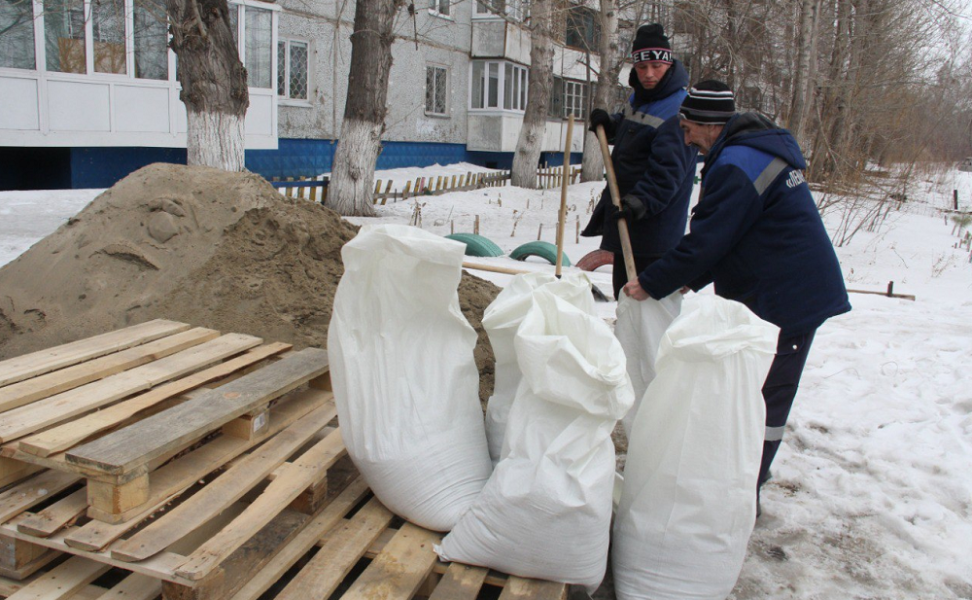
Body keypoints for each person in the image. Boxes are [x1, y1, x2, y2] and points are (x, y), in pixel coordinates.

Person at [621, 80, 852, 515]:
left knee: (765, 398)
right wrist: (688, 280)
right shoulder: (748, 152)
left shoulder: (736, 164)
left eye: (687, 128)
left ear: (709, 124)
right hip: (778, 287)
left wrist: (652, 282)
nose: (686, 139)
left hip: (791, 297)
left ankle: (744, 493)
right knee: (750, 390)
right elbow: (733, 234)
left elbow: (709, 240)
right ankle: (736, 477)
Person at [581, 23, 697, 299]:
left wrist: (639, 203)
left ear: (669, 63)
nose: (649, 74)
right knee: (625, 299)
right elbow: (634, 133)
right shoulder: (642, 98)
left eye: (656, 66)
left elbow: (668, 174)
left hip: (654, 231)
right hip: (628, 220)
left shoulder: (676, 111)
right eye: (642, 67)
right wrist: (610, 124)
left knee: (648, 307)